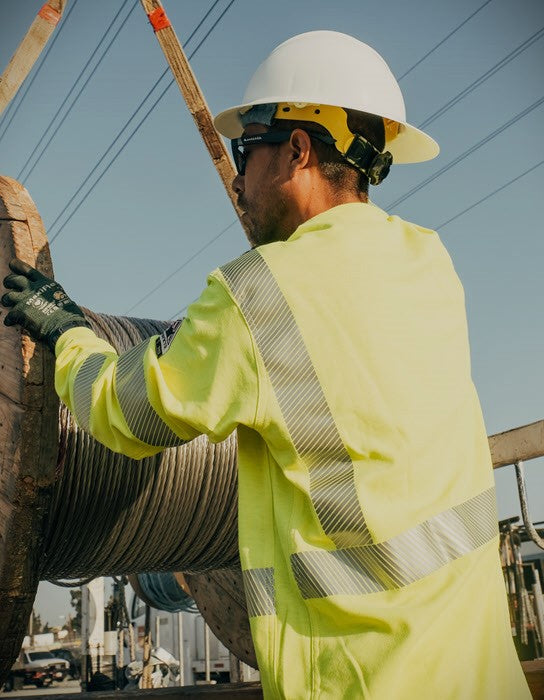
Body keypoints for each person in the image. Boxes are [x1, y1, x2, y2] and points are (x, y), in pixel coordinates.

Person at [1, 30, 530, 699]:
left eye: (245, 153)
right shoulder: (429, 262)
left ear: (298, 150)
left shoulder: (260, 294)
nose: (236, 177)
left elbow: (124, 412)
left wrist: (69, 332)